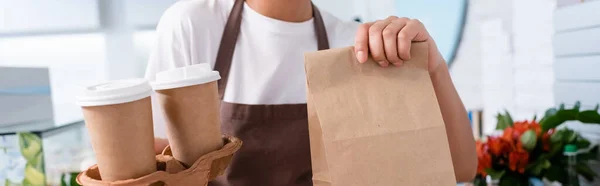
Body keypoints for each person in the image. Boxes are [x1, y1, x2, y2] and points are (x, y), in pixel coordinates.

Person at [146, 0, 477, 185]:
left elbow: (459, 168)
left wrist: (433, 67)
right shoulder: (191, 26)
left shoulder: (354, 44)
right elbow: (154, 166)